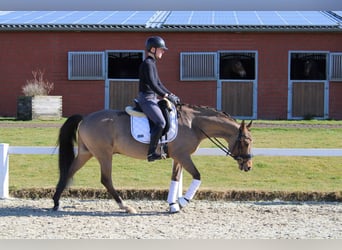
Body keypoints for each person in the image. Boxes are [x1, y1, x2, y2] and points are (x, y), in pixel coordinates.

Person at [137, 36, 180, 162]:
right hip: (146, 99)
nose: (163, 51)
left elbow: (159, 84)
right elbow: (152, 84)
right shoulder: (147, 64)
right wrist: (165, 96)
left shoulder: (152, 64)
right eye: (161, 49)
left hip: (153, 98)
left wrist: (170, 93)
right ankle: (151, 152)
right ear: (153, 49)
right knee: (161, 122)